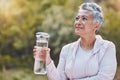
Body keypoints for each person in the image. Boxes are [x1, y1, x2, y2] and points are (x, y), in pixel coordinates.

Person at [33, 2, 117, 80]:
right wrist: (47, 60)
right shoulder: (67, 49)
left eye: (84, 18)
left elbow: (104, 78)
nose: (78, 22)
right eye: (77, 18)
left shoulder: (107, 47)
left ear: (96, 24)